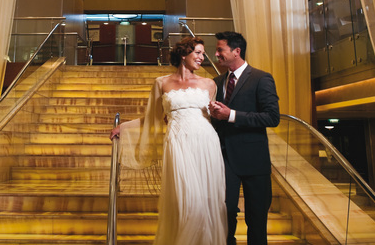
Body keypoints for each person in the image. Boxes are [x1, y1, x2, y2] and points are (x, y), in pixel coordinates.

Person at [110, 37, 226, 244]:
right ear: (184, 54)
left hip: (206, 141)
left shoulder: (209, 83)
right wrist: (125, 127)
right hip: (178, 143)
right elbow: (153, 116)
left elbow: (213, 114)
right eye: (198, 53)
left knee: (207, 201)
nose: (202, 57)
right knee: (185, 201)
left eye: (202, 53)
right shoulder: (162, 83)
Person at [209, 31, 280, 245]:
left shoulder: (261, 78)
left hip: (254, 160)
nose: (216, 54)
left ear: (236, 51)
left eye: (220, 49)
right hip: (223, 160)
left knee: (256, 219)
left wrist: (231, 115)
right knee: (225, 214)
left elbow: (272, 117)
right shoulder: (215, 82)